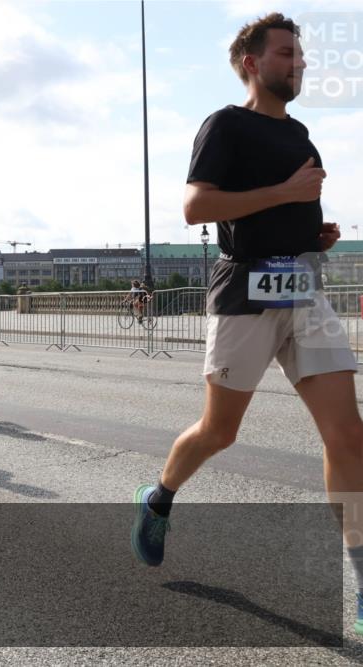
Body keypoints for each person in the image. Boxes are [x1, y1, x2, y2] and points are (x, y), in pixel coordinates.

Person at [129, 13, 363, 637]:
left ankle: (362, 581)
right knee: (219, 432)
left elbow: (290, 208)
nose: (300, 62)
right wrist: (286, 194)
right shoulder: (225, 125)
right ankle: (159, 496)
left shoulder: (303, 133)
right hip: (246, 293)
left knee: (348, 435)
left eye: (301, 54)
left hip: (304, 291)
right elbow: (195, 206)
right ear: (253, 63)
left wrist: (315, 233)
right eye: (287, 53)